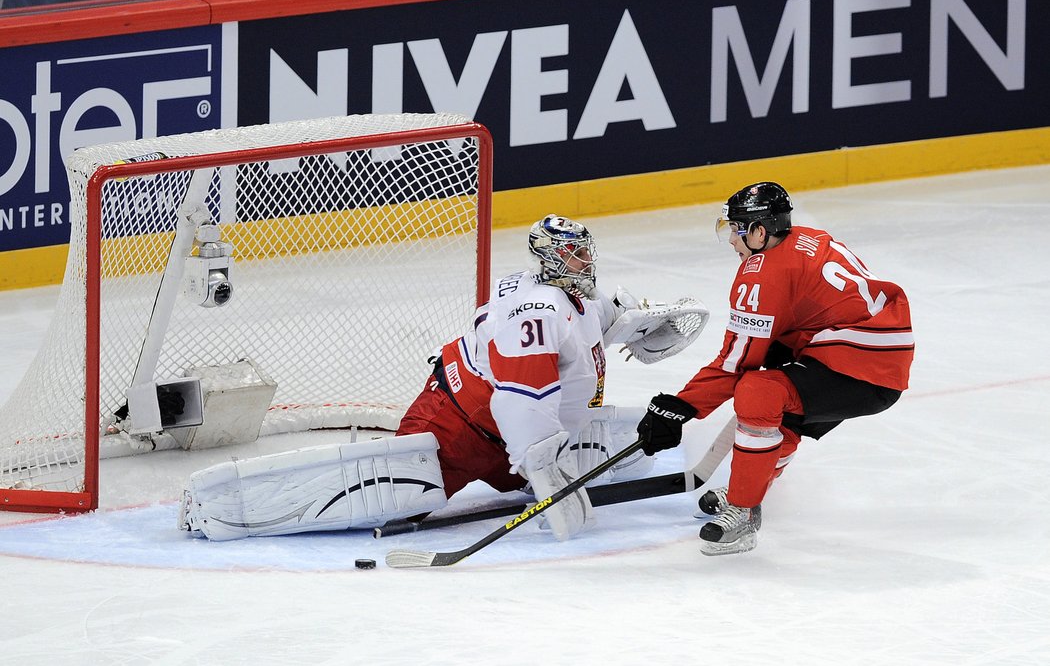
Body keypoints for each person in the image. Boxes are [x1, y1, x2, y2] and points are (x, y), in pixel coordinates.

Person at [179, 214, 708, 541]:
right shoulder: (535, 312)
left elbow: (599, 324)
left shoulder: (577, 302)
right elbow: (518, 401)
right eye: (573, 254)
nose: (585, 261)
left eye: (585, 251)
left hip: (512, 442)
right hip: (455, 426)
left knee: (556, 451)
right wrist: (544, 472)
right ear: (548, 261)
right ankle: (227, 509)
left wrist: (637, 324)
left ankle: (534, 464)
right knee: (392, 499)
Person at [635, 182, 914, 556]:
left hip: (861, 368)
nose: (732, 241)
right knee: (776, 376)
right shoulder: (807, 237)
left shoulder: (763, 275)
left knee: (759, 391)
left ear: (760, 232)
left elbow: (736, 362)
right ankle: (752, 485)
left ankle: (744, 510)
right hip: (872, 352)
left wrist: (679, 408)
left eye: (736, 230)